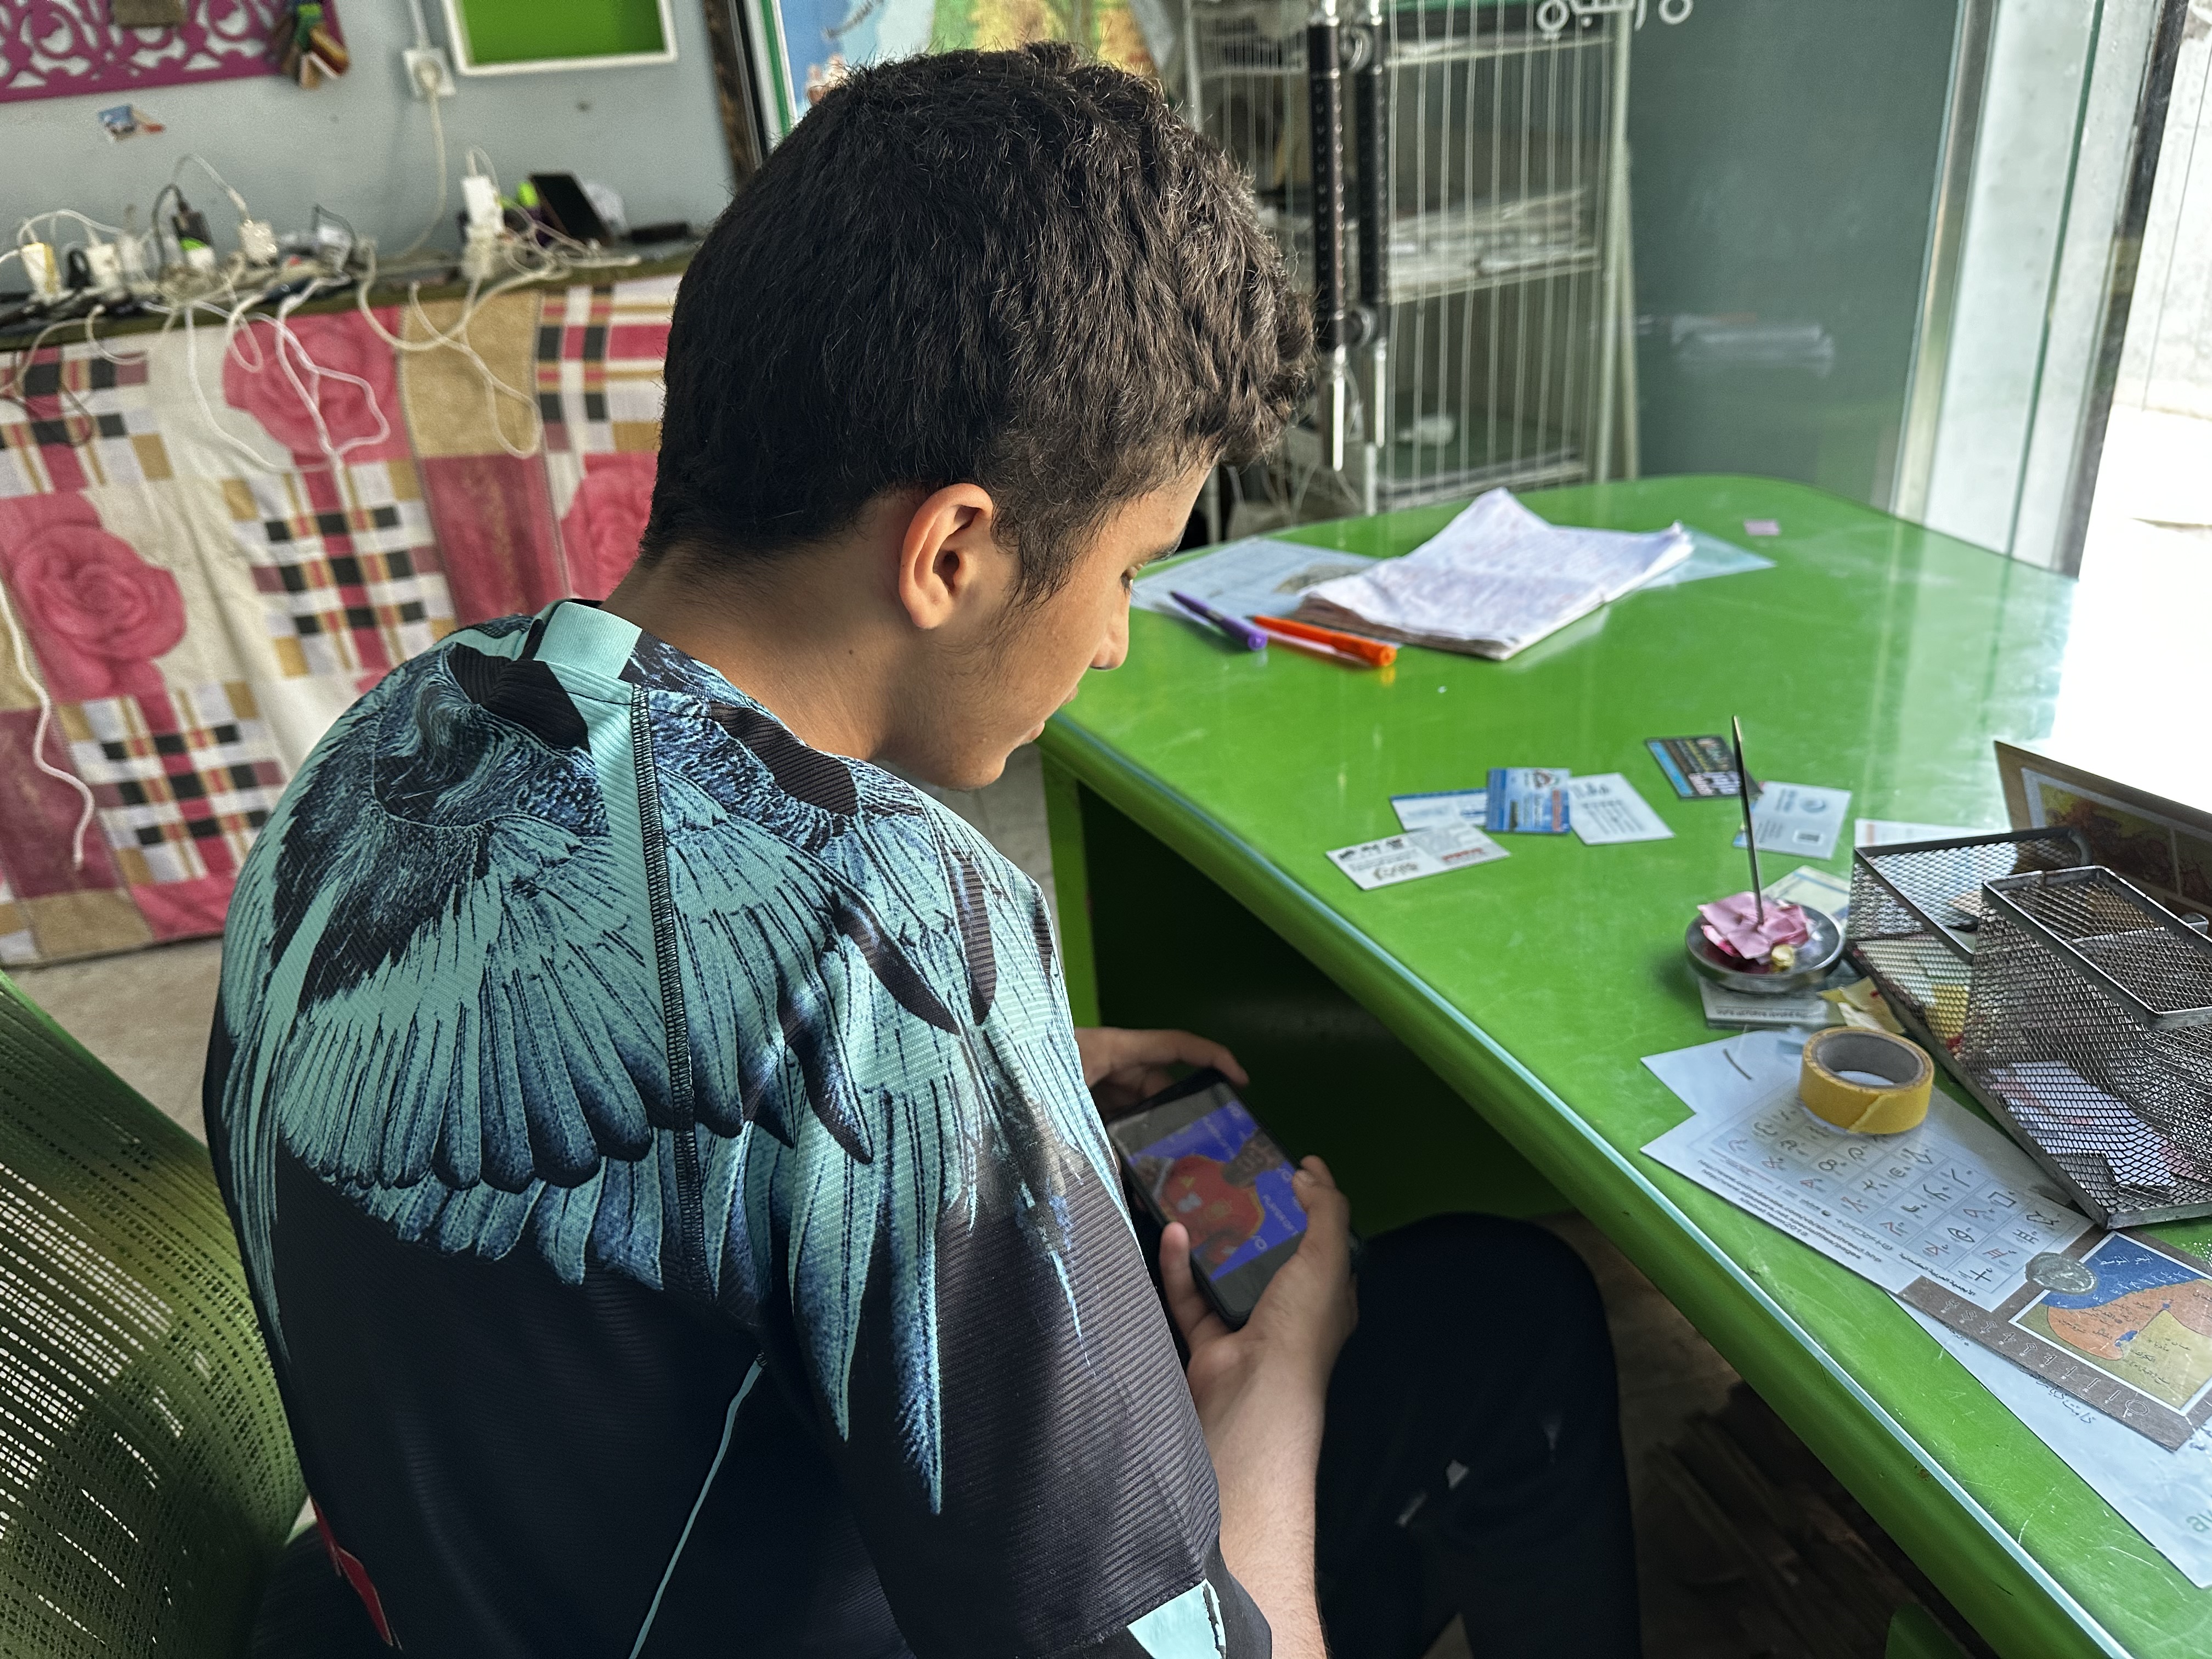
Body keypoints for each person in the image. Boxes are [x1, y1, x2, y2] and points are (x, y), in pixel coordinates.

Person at [204, 43, 1638, 1659]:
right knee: (1498, 1320)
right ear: (952, 549)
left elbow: (612, 1076)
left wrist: (1012, 1079)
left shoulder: (388, 745)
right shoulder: (884, 931)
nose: (1110, 643)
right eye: (1130, 569)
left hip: (447, 1596)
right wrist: (1278, 1387)